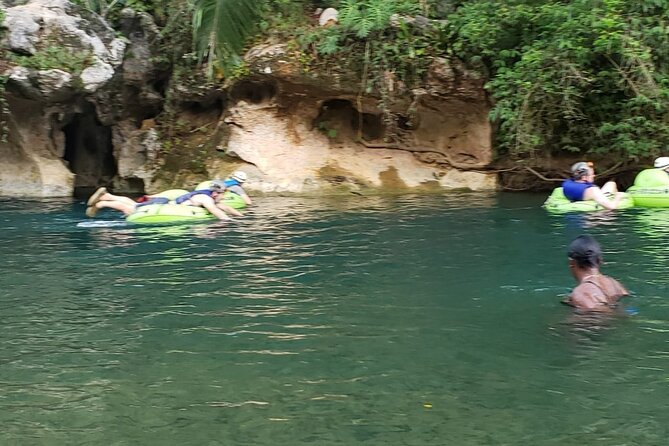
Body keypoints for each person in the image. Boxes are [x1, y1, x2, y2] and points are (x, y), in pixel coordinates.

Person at [85, 181, 241, 220]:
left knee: (134, 204)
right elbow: (215, 210)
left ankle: (107, 196)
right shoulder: (204, 198)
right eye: (223, 194)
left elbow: (224, 207)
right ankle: (102, 203)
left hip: (164, 201)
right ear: (216, 193)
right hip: (162, 205)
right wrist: (227, 222)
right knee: (131, 209)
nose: (224, 197)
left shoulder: (208, 196)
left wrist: (239, 217)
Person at [562, 235, 629, 311]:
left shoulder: (582, 292)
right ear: (600, 260)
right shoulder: (616, 285)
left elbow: (597, 318)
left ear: (572, 263)